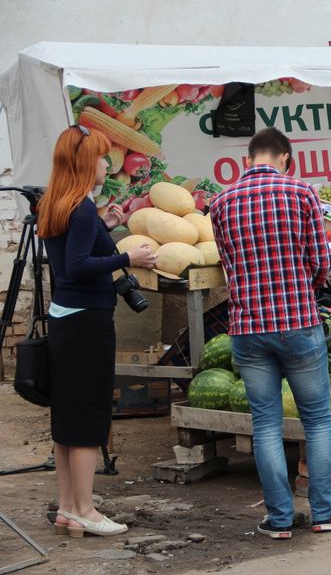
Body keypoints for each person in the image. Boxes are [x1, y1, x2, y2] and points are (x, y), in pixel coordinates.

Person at [209, 127, 331, 539]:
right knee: (317, 421)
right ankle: (325, 512)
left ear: (249, 159)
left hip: (248, 327)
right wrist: (302, 289)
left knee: (267, 424)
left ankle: (278, 520)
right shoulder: (302, 194)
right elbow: (319, 262)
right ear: (286, 158)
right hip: (298, 322)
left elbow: (227, 264)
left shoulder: (220, 203)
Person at [37, 126, 157, 537]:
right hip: (87, 322)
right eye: (103, 157)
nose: (108, 163)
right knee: (89, 416)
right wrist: (128, 255)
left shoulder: (56, 202)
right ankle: (86, 509)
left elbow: (71, 252)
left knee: (67, 417)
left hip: (63, 318)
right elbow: (77, 266)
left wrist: (104, 225)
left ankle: (68, 507)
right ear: (87, 163)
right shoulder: (81, 208)